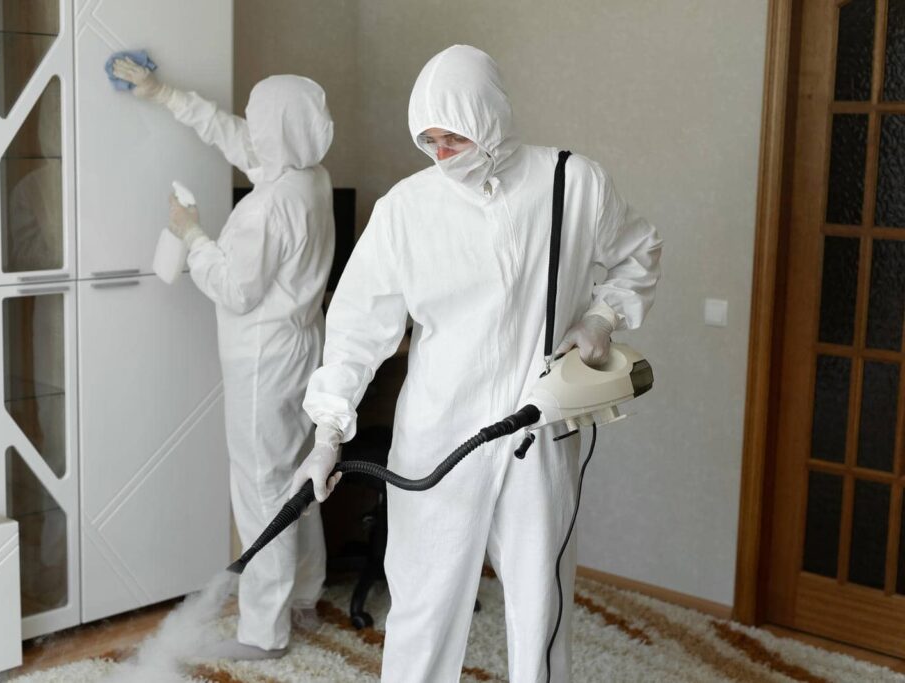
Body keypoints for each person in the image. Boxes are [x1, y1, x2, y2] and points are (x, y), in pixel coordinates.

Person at [292, 45, 662, 681]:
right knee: (424, 609)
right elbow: (356, 330)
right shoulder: (406, 209)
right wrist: (328, 432)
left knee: (541, 610)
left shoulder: (572, 183)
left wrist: (602, 318)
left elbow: (640, 251)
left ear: (489, 117)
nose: (441, 154)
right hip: (439, 437)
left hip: (537, 433)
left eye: (454, 137)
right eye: (429, 140)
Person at [112, 58, 335, 660]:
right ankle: (304, 596)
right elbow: (232, 135)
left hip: (264, 362)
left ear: (276, 130)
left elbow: (236, 289)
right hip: (302, 350)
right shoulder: (309, 177)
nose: (251, 128)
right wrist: (162, 93)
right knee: (299, 478)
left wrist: (191, 235)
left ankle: (264, 633)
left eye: (260, 121)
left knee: (262, 491)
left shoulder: (268, 206)